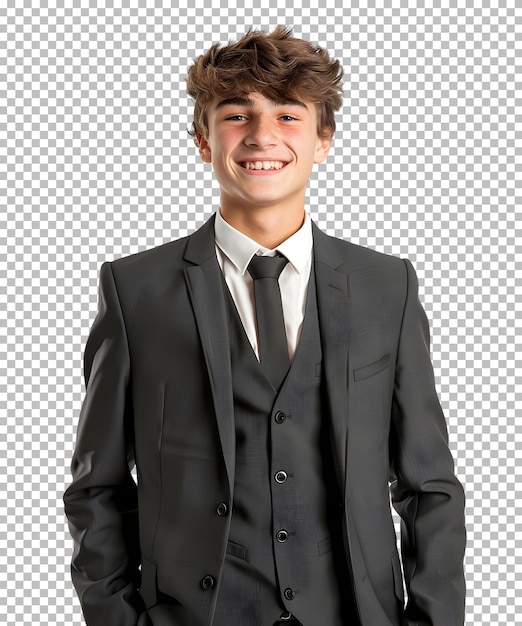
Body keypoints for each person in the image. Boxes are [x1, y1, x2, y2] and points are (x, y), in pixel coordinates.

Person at [64, 26, 466, 626]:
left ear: (323, 140)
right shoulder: (135, 290)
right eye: (236, 115)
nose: (262, 136)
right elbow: (96, 488)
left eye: (288, 115)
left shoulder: (388, 286)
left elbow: (428, 484)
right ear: (202, 139)